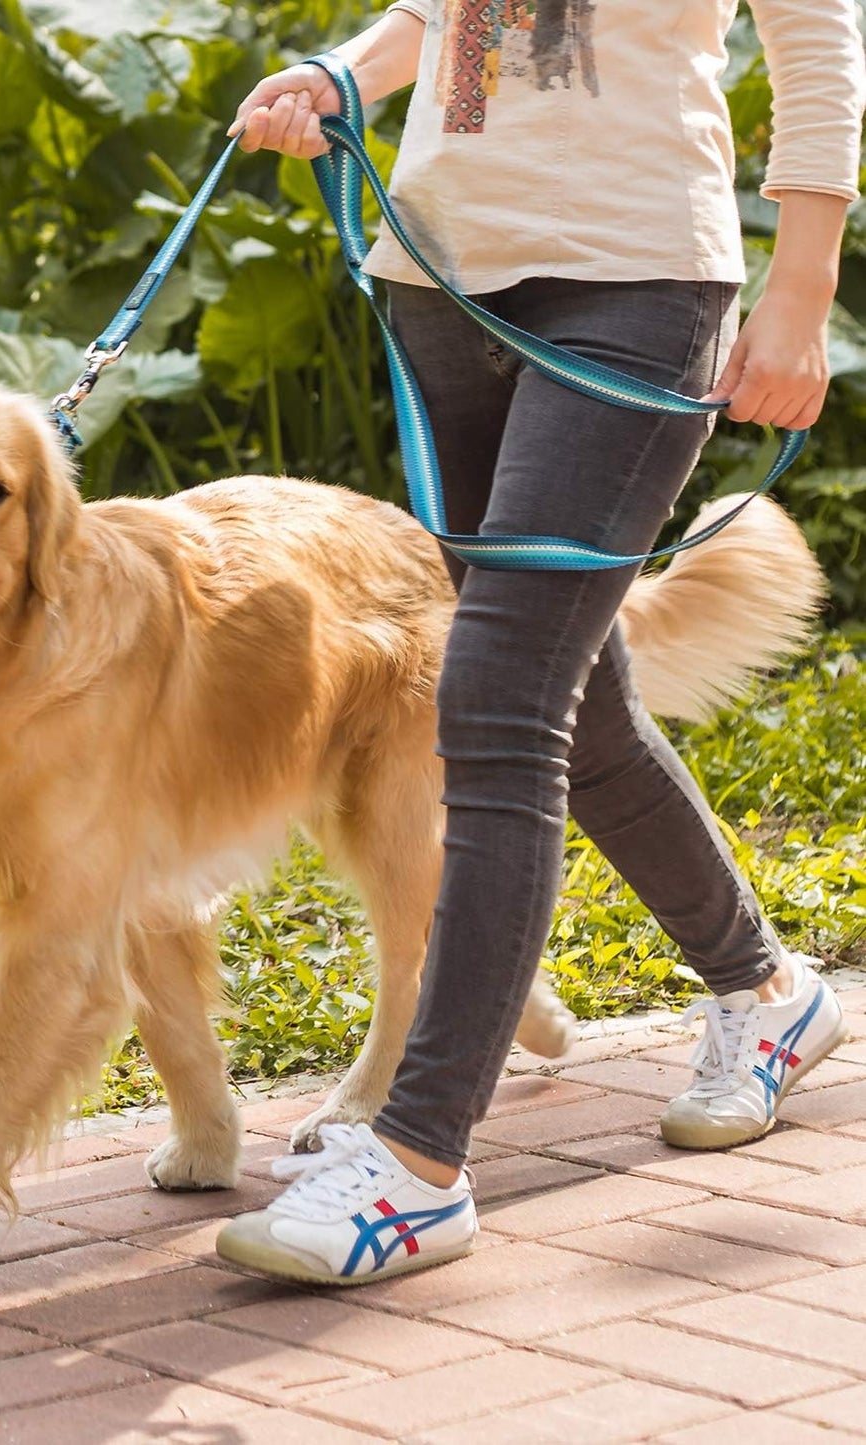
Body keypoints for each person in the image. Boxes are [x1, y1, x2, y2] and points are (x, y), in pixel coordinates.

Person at [215, 0, 865, 1285]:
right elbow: (440, 12)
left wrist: (801, 287)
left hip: (632, 279)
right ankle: (764, 985)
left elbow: (814, 29)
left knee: (496, 695)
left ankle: (417, 1162)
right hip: (440, 276)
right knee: (579, 694)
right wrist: (338, 76)